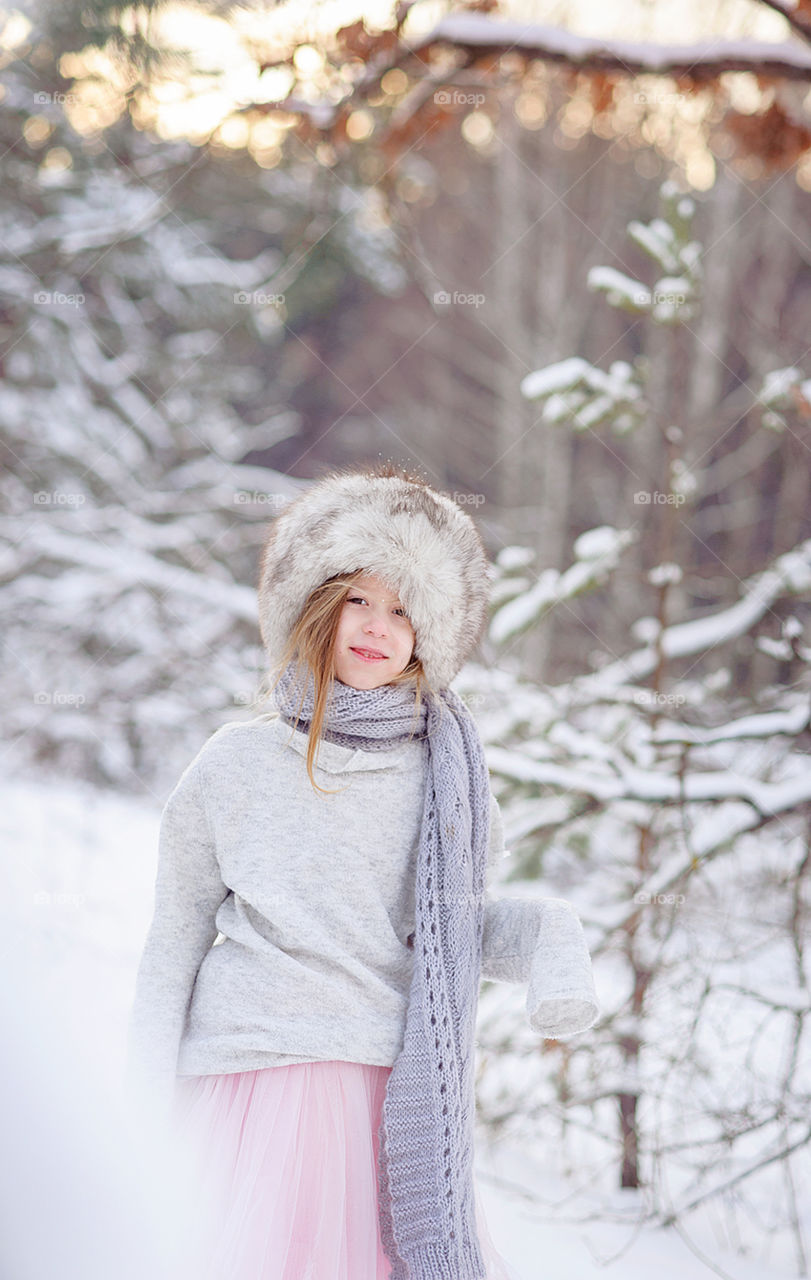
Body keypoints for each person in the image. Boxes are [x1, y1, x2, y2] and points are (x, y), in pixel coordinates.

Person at [124, 461, 600, 1280]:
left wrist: (550, 937)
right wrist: (134, 1105)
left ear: (429, 637)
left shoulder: (445, 781)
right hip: (245, 1085)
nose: (378, 625)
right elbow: (174, 939)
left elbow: (452, 928)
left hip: (381, 1097)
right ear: (314, 603)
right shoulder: (234, 762)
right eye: (358, 598)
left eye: (403, 609)